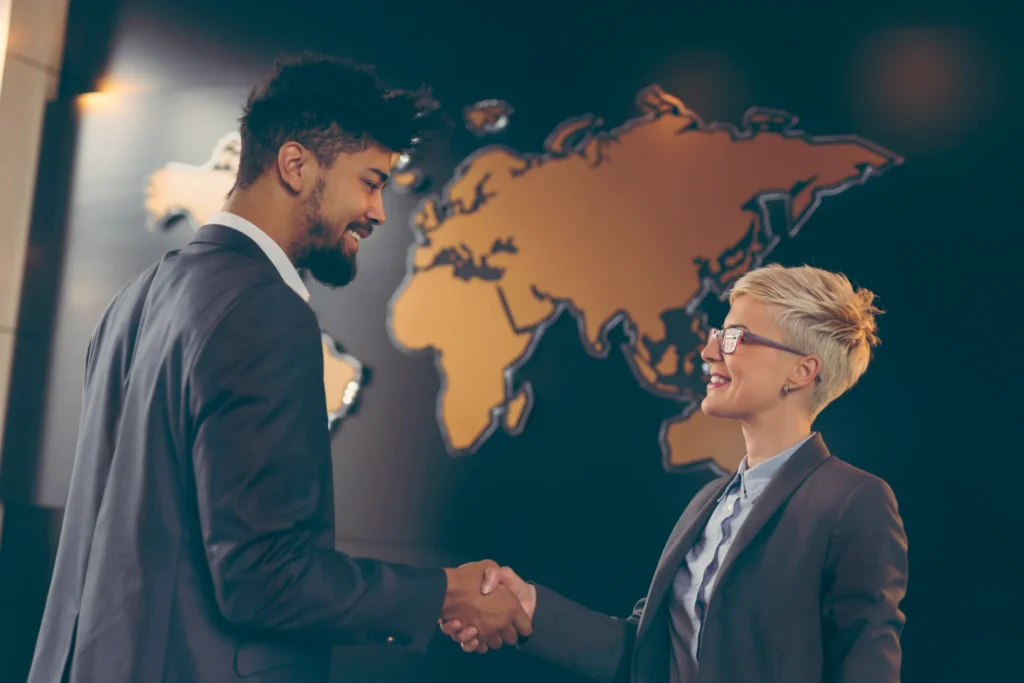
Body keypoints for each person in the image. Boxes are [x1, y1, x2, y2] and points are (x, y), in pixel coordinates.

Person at [27, 53, 530, 683]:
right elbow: (262, 577)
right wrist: (443, 594)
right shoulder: (262, 309)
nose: (377, 211)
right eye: (370, 181)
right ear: (295, 165)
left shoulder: (137, 297)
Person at [442, 263, 909, 683]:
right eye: (717, 334)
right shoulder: (710, 501)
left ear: (802, 371)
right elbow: (646, 654)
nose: (709, 351)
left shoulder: (855, 500)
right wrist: (528, 606)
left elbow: (866, 666)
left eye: (735, 337)